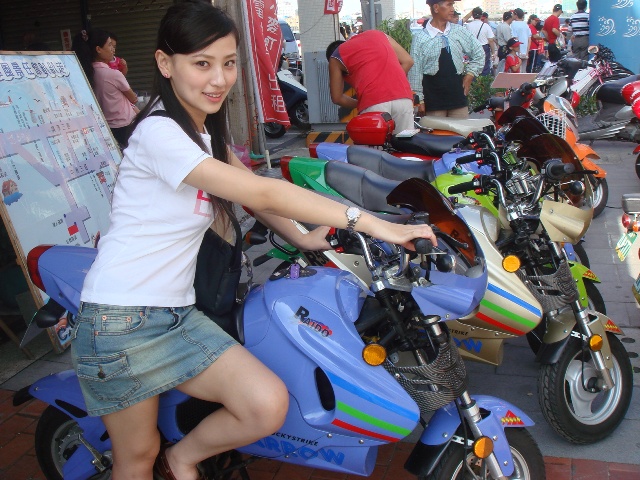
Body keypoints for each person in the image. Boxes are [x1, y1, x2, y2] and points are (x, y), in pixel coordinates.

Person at [71, 2, 438, 479]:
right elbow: (265, 192)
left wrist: (303, 238)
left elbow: (254, 194)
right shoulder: (159, 133)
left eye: (228, 63)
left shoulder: (201, 134)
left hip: (177, 315)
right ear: (165, 63)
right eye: (202, 64)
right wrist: (377, 225)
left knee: (265, 403)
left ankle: (180, 459)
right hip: (122, 320)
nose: (219, 79)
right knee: (136, 457)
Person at [326, 30, 415, 132]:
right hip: (403, 98)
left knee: (375, 142)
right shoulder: (378, 34)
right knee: (405, 141)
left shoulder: (335, 57)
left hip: (373, 103)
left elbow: (337, 98)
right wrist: (390, 82)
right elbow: (408, 61)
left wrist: (361, 103)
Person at [409, 0, 484, 118]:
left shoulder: (459, 31)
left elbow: (479, 53)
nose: (452, 9)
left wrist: (470, 75)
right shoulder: (420, 38)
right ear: (436, 8)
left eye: (452, 4)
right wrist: (419, 99)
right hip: (433, 100)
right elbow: (415, 72)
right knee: (436, 130)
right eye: (449, 5)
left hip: (458, 98)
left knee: (462, 129)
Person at [73, 28, 138, 147]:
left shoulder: (87, 73)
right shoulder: (113, 74)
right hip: (125, 125)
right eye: (109, 45)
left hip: (106, 126)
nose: (113, 49)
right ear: (98, 49)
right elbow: (133, 99)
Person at [465, 6, 496, 76]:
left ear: (472, 15)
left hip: (473, 48)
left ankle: (474, 80)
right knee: (485, 67)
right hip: (484, 48)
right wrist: (493, 52)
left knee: (473, 66)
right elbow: (491, 40)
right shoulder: (485, 26)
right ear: (481, 15)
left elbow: (466, 39)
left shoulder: (468, 26)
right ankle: (484, 81)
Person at [510, 8, 531, 73]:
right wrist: (527, 52)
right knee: (523, 71)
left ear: (516, 15)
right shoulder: (526, 25)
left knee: (516, 72)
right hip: (525, 52)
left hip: (517, 52)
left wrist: (518, 52)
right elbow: (529, 39)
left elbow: (515, 39)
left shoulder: (513, 24)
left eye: (513, 14)